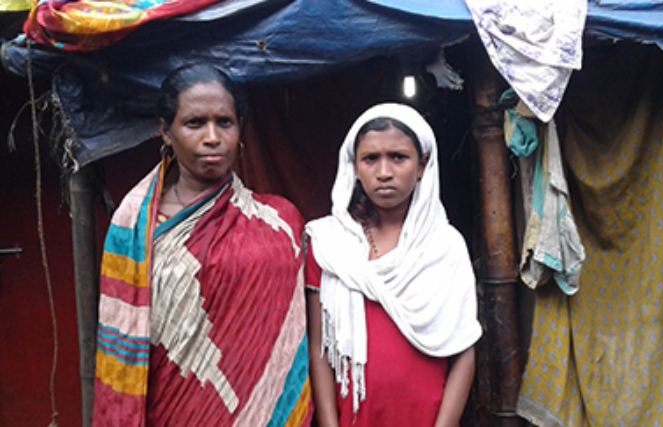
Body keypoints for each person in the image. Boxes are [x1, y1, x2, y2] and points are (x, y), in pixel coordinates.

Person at [92, 64, 313, 427]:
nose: (212, 137)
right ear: (166, 131)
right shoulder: (135, 230)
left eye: (224, 122)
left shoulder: (281, 222)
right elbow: (123, 344)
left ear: (240, 128)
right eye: (195, 123)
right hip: (172, 412)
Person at [305, 103, 482, 427]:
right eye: (370, 158)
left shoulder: (445, 246)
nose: (384, 172)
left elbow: (463, 350)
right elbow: (320, 350)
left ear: (422, 166)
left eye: (398, 157)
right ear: (354, 167)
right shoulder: (329, 244)